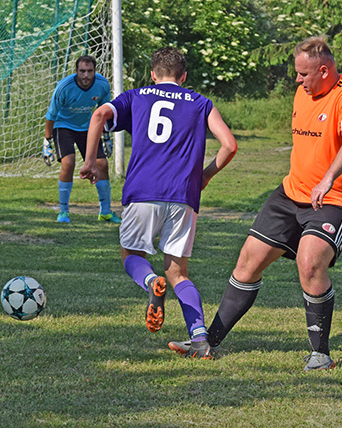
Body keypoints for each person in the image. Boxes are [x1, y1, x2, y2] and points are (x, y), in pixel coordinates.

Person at [170, 36, 342, 371]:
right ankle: (207, 343)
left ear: (323, 70)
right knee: (247, 262)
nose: (297, 80)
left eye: (303, 74)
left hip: (335, 199)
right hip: (290, 194)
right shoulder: (302, 93)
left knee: (309, 263)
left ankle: (320, 354)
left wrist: (328, 178)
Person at [80, 47, 237, 358]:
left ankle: (151, 282)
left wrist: (90, 162)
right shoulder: (200, 103)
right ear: (184, 76)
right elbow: (230, 145)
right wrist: (204, 176)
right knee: (178, 272)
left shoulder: (136, 95)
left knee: (130, 254)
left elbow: (99, 115)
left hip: (143, 190)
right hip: (184, 195)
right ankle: (200, 339)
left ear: (153, 74)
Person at [43, 55, 121, 224]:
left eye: (89, 71)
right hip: (63, 126)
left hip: (88, 127)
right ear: (76, 71)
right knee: (68, 163)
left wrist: (106, 136)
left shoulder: (102, 85)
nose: (86, 75)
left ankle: (106, 211)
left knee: (102, 164)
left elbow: (104, 111)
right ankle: (63, 211)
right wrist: (46, 142)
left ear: (95, 71)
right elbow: (51, 115)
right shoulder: (64, 87)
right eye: (82, 71)